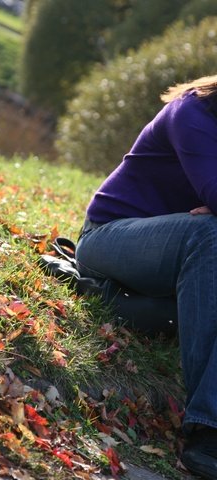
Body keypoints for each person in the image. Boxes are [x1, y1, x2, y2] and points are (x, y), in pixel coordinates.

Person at [75, 74, 217, 480]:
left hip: (181, 262)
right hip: (110, 236)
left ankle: (112, 298)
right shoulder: (192, 111)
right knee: (209, 232)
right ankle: (208, 427)